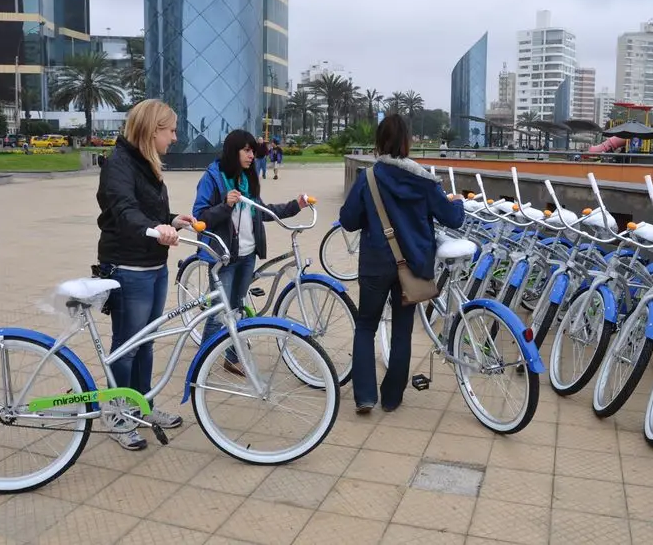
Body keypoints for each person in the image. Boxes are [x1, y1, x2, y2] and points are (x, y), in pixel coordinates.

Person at [339, 114, 465, 413]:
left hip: (375, 263)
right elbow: (453, 219)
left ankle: (365, 396)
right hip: (413, 266)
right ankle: (392, 397)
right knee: (402, 330)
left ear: (379, 142)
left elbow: (348, 220)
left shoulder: (368, 178)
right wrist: (457, 201)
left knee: (365, 326)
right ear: (407, 142)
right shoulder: (424, 180)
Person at [95, 98, 196, 451]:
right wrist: (157, 228)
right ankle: (116, 413)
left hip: (154, 266)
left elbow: (148, 212)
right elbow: (125, 212)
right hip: (129, 269)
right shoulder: (119, 164)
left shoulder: (146, 163)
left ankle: (142, 406)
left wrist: (171, 221)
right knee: (126, 347)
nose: (175, 138)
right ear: (153, 130)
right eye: (171, 131)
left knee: (146, 343)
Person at [193, 129, 310, 375]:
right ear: (232, 151)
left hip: (247, 256)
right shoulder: (212, 178)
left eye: (252, 152)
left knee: (237, 308)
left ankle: (232, 357)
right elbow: (199, 217)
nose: (251, 156)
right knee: (219, 313)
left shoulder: (247, 179)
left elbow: (262, 211)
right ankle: (199, 367)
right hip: (224, 258)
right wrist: (226, 205)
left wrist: (295, 206)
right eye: (246, 151)